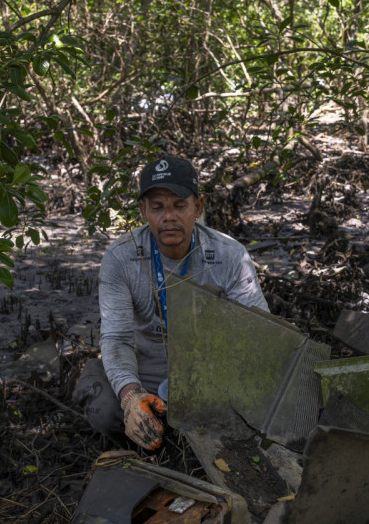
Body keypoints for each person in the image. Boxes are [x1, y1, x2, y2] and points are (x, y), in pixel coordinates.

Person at [74, 154, 268, 448]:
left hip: (209, 370)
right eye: (157, 207)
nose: (169, 217)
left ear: (198, 207)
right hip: (146, 370)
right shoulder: (120, 258)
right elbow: (117, 338)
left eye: (180, 206)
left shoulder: (230, 255)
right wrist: (130, 397)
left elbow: (258, 331)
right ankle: (142, 432)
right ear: (143, 211)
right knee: (105, 409)